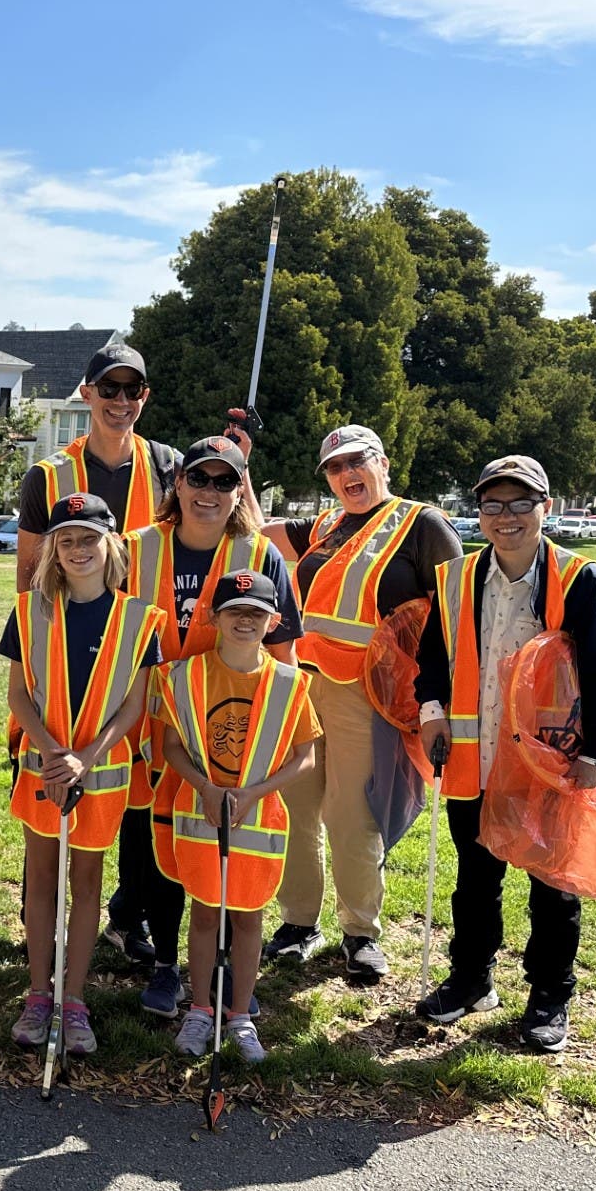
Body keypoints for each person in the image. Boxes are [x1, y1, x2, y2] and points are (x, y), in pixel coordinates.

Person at [415, 455, 596, 1051]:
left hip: (549, 763)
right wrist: (431, 713)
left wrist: (595, 753)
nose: (505, 517)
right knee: (475, 879)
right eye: (493, 504)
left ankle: (548, 997)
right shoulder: (454, 578)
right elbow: (432, 659)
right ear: (479, 511)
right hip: (474, 760)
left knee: (552, 885)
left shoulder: (582, 580)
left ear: (545, 508)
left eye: (520, 504)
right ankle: (471, 980)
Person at [255, 423, 462, 982]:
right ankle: (299, 921)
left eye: (358, 462)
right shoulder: (325, 525)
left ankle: (360, 932)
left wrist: (436, 702)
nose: (348, 474)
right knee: (297, 806)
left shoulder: (423, 525)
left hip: (366, 695)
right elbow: (253, 526)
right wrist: (243, 462)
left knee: (351, 814)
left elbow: (453, 617)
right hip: (302, 684)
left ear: (384, 463)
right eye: (335, 467)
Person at [14, 340, 180, 968]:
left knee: (134, 793)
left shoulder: (166, 465)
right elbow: (29, 573)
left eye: (131, 389)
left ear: (144, 398)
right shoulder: (48, 475)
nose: (119, 400)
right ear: (85, 394)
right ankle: (41, 931)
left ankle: (126, 916)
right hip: (64, 658)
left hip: (137, 652)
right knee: (52, 788)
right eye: (107, 388)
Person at [126, 435, 303, 1018]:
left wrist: (276, 744)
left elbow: (284, 656)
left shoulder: (258, 555)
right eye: (198, 479)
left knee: (217, 844)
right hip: (149, 725)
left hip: (231, 736)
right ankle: (164, 964)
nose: (209, 492)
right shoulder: (136, 549)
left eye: (224, 481)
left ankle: (221, 964)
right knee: (157, 846)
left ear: (239, 489)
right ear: (177, 483)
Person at [1, 494, 162, 1059]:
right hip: (41, 771)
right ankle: (38, 994)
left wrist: (85, 758)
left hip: (102, 774)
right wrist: (50, 753)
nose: (77, 550)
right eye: (65, 540)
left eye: (88, 538)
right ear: (53, 549)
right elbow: (19, 696)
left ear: (110, 543)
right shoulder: (30, 610)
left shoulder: (139, 620)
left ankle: (74, 1000)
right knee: (41, 881)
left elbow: (133, 708)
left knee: (87, 883)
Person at [155, 573, 319, 1065]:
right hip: (202, 815)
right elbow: (170, 747)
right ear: (214, 617)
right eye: (235, 611)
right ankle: (200, 1009)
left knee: (249, 919)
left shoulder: (290, 683)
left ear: (274, 621)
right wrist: (206, 787)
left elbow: (304, 757)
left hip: (258, 820)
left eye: (256, 613)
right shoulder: (185, 677)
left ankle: (240, 1015)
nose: (245, 620)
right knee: (204, 914)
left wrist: (253, 793)